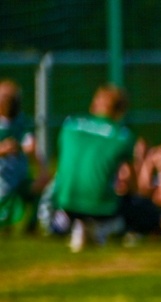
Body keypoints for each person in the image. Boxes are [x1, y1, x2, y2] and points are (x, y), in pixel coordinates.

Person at [53, 85, 139, 252]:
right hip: (101, 206)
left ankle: (75, 225)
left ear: (94, 104)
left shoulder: (71, 124)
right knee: (135, 207)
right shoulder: (123, 135)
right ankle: (100, 229)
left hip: (65, 199)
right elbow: (132, 180)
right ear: (121, 111)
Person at [0, 80, 41, 233]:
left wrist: (42, 171)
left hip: (19, 177)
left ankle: (31, 227)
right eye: (6, 97)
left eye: (13, 98)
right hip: (2, 181)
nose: (11, 102)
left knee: (40, 191)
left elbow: (30, 144)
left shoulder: (21, 122)